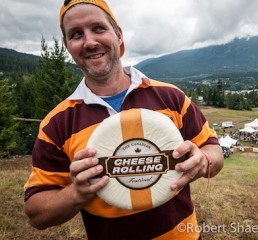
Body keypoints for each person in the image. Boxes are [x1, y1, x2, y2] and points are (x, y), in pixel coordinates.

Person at [23, 1, 224, 239]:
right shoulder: (56, 124)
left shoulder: (171, 97)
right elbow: (36, 214)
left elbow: (215, 152)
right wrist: (76, 192)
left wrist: (204, 160)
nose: (89, 42)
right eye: (77, 34)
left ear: (118, 35)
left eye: (98, 28)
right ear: (68, 46)